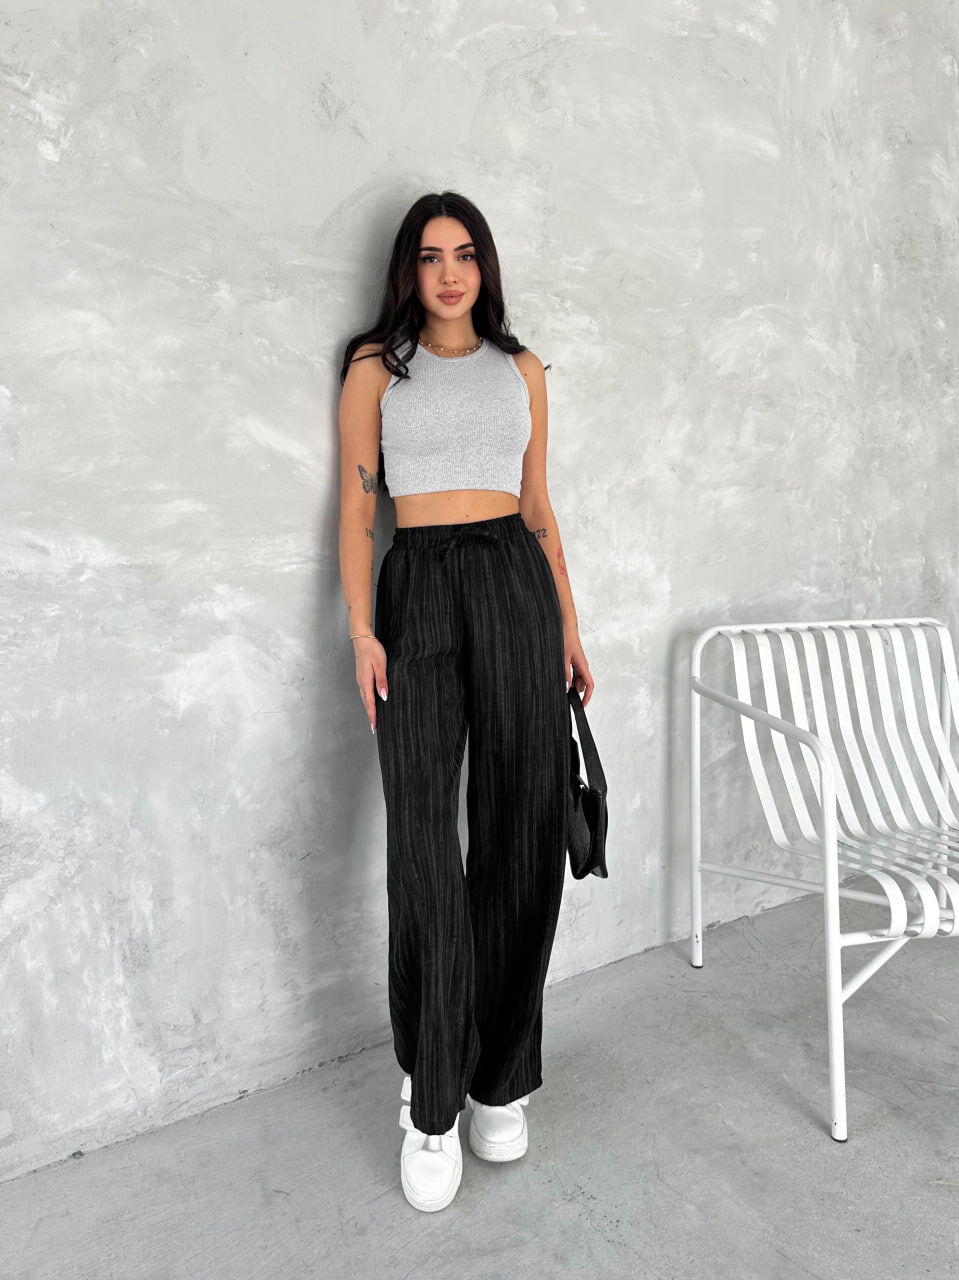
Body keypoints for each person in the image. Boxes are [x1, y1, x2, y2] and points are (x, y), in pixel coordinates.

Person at [337, 190, 594, 1212]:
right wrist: (364, 630)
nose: (449, 273)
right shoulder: (376, 368)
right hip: (416, 591)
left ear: (485, 267)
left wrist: (568, 626)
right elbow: (357, 506)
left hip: (513, 588)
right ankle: (431, 1097)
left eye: (466, 254)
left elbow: (537, 509)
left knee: (520, 830)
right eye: (431, 256)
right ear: (409, 269)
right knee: (422, 845)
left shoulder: (520, 370)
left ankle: (497, 1077)